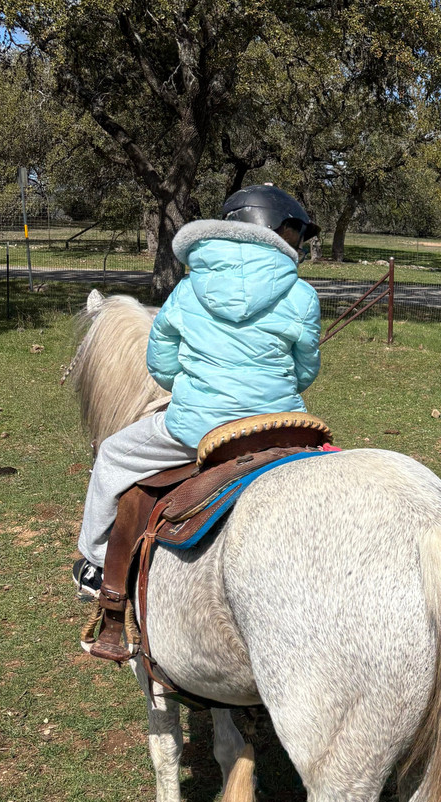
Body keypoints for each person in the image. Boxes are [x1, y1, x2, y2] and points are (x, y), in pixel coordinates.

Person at [72, 185, 322, 599]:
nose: (296, 245)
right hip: (279, 425)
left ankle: (95, 563)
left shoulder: (188, 289)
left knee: (113, 455)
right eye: (294, 234)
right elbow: (306, 369)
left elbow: (160, 360)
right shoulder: (302, 294)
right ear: (276, 232)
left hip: (199, 428)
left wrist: (184, 386)